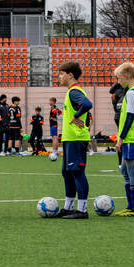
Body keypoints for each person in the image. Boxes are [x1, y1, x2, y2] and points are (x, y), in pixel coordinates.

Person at [58, 62, 93, 219]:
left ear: (70, 75)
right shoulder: (71, 92)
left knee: (77, 172)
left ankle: (82, 210)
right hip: (69, 138)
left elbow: (87, 104)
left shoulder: (74, 91)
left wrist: (76, 116)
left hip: (76, 138)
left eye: (61, 74)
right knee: (67, 173)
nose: (59, 77)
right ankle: (68, 207)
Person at [113, 62, 134, 217]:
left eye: (119, 77)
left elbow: (129, 118)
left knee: (132, 170)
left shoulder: (132, 93)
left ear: (127, 76)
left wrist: (121, 138)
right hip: (133, 137)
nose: (118, 81)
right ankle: (130, 206)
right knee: (125, 170)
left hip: (132, 137)